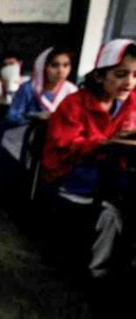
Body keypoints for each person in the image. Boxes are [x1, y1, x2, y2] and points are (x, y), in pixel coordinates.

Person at [42, 39, 136, 279]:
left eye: (135, 75)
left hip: (109, 173)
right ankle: (97, 271)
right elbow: (66, 146)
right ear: (100, 75)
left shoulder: (130, 102)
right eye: (121, 74)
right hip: (72, 173)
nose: (129, 82)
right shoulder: (74, 104)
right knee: (113, 209)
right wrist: (106, 143)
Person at [4, 47, 77, 129]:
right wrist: (35, 117)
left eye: (66, 65)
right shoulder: (29, 88)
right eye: (54, 65)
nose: (61, 70)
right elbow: (11, 117)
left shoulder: (72, 91)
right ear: (43, 67)